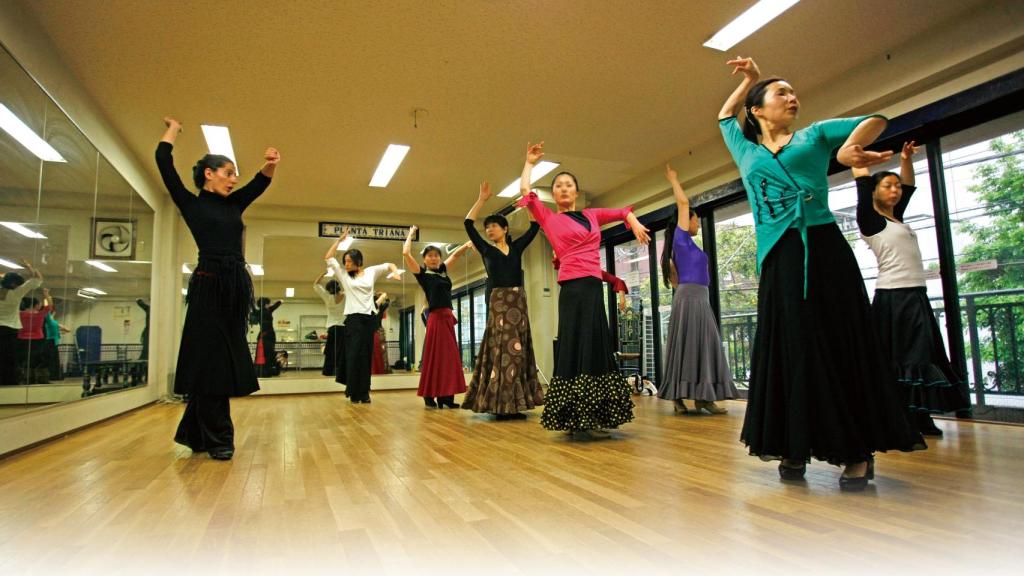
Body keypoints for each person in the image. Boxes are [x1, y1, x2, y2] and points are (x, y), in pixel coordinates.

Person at [717, 57, 924, 490]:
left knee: (837, 342)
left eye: (794, 93)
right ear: (757, 110)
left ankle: (855, 450)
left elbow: (876, 119)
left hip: (825, 250)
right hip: (778, 258)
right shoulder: (747, 150)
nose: (793, 98)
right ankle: (794, 443)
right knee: (791, 348)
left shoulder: (814, 135)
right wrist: (751, 80)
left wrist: (850, 148)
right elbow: (723, 117)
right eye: (781, 93)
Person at [157, 116, 280, 460]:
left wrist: (270, 165)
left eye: (234, 174)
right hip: (208, 286)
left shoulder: (233, 204)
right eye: (227, 173)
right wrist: (174, 130)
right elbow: (164, 164)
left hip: (234, 288)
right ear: (208, 175)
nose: (233, 179)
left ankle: (194, 433)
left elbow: (259, 183)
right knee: (211, 360)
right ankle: (219, 437)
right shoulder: (191, 203)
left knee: (215, 360)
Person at [516, 141, 649, 440]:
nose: (563, 189)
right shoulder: (549, 218)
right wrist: (529, 163)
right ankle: (575, 416)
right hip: (572, 289)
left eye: (568, 185)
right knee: (575, 344)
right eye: (559, 186)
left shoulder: (592, 215)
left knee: (596, 344)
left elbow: (622, 211)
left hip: (592, 287)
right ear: (555, 194)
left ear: (576, 191)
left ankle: (598, 413)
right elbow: (526, 191)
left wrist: (635, 222)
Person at [853, 141, 971, 436]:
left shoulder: (896, 218)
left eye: (896, 187)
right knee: (908, 358)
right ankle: (909, 418)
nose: (895, 191)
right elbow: (861, 180)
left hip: (915, 295)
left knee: (922, 356)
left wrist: (905, 159)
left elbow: (909, 184)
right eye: (887, 187)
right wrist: (859, 156)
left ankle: (915, 415)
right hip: (895, 297)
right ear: (874, 192)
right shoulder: (871, 221)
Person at [658, 164, 737, 415]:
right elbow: (683, 203)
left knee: (703, 344)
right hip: (690, 297)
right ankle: (682, 398)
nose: (698, 223)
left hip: (698, 298)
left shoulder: (687, 245)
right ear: (686, 220)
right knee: (690, 345)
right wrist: (674, 179)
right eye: (696, 219)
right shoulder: (681, 240)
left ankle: (704, 398)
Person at [461, 181, 544, 419]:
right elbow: (468, 224)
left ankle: (515, 403)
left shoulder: (517, 248)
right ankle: (501, 403)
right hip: (498, 301)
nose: (489, 230)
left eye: (494, 226)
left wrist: (529, 203)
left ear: (505, 229)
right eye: (487, 228)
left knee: (518, 349)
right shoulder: (487, 250)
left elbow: (535, 225)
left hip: (518, 300)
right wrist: (481, 200)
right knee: (503, 349)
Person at [325, 229, 402, 403]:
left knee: (365, 357)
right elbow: (328, 257)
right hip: (353, 320)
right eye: (345, 261)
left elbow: (389, 264)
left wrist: (395, 272)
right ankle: (353, 392)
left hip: (368, 320)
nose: (346, 264)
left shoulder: (370, 272)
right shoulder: (344, 276)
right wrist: (339, 241)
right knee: (353, 356)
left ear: (358, 262)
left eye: (349, 262)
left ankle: (364, 393)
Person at [404, 226, 473, 408]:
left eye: (436, 255)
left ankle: (446, 397)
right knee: (434, 358)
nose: (433, 258)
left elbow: (456, 256)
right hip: (435, 318)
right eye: (429, 256)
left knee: (449, 358)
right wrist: (410, 235)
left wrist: (466, 246)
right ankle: (429, 395)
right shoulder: (423, 274)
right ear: (424, 259)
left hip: (447, 317)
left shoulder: (443, 270)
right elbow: (406, 253)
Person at [0, 262, 42, 386]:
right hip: (10, 329)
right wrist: (29, 266)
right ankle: (9, 382)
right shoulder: (16, 293)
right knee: (10, 358)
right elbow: (38, 279)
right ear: (15, 284)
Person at [313, 273, 345, 377]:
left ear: (328, 290)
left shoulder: (327, 297)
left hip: (332, 328)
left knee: (330, 351)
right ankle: (340, 372)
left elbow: (316, 284)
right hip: (343, 327)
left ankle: (328, 371)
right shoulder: (346, 295)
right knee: (342, 352)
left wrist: (322, 274)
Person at [17, 293, 52, 384]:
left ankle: (25, 378)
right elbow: (49, 306)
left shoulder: (20, 314)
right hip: (38, 339)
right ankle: (39, 378)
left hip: (22, 338)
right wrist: (46, 295)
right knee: (36, 359)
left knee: (25, 359)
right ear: (36, 305)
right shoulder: (40, 314)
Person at [255, 297, 283, 377]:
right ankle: (268, 369)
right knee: (269, 352)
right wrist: (280, 301)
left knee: (265, 352)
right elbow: (277, 304)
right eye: (268, 303)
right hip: (268, 335)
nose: (269, 304)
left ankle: (264, 370)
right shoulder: (268, 310)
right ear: (266, 304)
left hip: (264, 335)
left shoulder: (258, 312)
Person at [371, 292, 391, 375]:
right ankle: (378, 369)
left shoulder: (379, 307)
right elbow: (388, 301)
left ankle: (378, 369)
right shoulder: (374, 308)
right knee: (379, 352)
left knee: (379, 352)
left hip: (377, 332)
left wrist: (382, 295)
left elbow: (388, 302)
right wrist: (383, 295)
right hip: (376, 332)